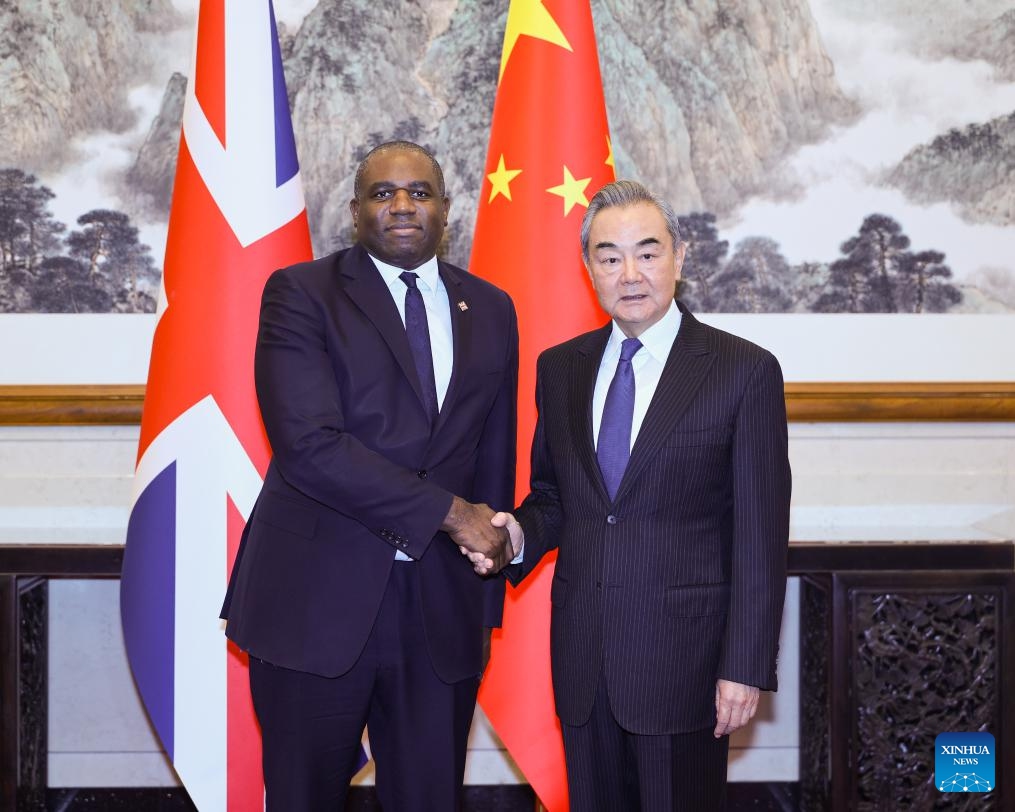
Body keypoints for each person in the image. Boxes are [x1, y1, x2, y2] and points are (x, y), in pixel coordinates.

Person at [471, 179, 790, 810]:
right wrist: (515, 536)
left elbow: (761, 534)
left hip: (687, 666)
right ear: (588, 268)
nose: (630, 273)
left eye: (647, 252)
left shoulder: (742, 370)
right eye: (609, 256)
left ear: (679, 256)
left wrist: (746, 665)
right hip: (585, 664)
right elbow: (556, 498)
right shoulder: (560, 369)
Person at [221, 140, 518, 811]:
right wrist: (450, 513)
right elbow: (310, 446)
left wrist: (485, 589)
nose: (402, 205)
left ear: (447, 210)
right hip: (313, 605)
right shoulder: (301, 294)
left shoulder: (492, 308)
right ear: (355, 212)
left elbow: (491, 457)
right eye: (383, 194)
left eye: (419, 191)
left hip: (442, 611)